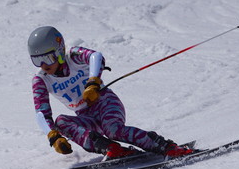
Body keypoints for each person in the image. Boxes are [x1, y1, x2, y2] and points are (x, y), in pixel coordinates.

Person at [28, 26, 194, 159]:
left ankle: (166, 147)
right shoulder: (41, 80)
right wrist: (53, 136)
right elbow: (41, 113)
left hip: (105, 103)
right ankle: (111, 148)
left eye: (48, 58)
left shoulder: (73, 56)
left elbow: (96, 56)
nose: (43, 65)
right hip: (86, 116)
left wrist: (93, 82)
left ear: (59, 51)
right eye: (37, 60)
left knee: (112, 129)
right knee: (61, 122)